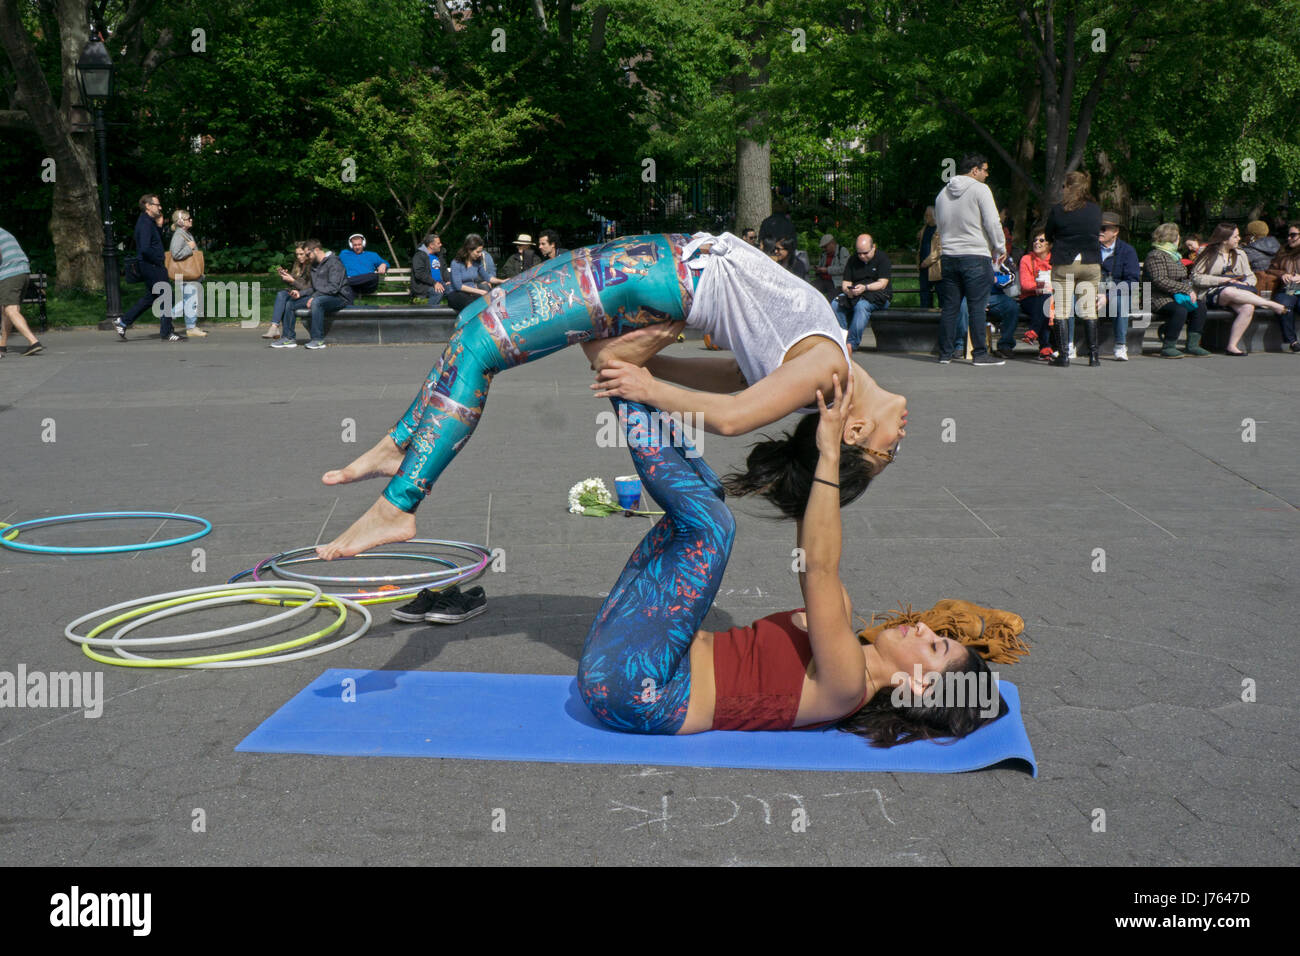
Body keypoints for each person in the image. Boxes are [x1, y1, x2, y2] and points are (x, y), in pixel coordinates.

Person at [313, 232, 908, 559]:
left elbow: (730, 418)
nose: (900, 438)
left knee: (479, 348)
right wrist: (649, 360)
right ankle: (401, 445)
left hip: (655, 274)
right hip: (658, 267)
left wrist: (648, 383)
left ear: (854, 433)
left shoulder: (829, 369)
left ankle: (399, 505)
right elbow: (735, 379)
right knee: (485, 316)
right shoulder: (827, 374)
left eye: (888, 453)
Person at [577, 374, 1004, 742]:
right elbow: (810, 553)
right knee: (708, 497)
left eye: (935, 645)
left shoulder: (848, 685)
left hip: (636, 688)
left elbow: (820, 568)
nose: (925, 627)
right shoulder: (843, 632)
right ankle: (635, 382)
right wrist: (830, 450)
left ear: (918, 686)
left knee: (712, 527)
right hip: (636, 657)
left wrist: (832, 456)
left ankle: (623, 385)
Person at [934, 153, 1006, 365]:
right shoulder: (980, 189)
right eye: (984, 169)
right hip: (975, 254)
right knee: (977, 306)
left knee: (950, 307)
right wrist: (1000, 246)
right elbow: (993, 222)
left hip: (949, 256)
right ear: (974, 170)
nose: (987, 173)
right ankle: (980, 354)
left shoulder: (942, 193)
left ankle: (945, 353)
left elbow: (939, 225)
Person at [1192, 222, 1289, 355]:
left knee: (1248, 307)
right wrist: (1222, 280)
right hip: (1211, 292)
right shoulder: (1207, 252)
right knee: (1228, 291)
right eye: (1236, 236)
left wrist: (1247, 284)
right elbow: (1196, 277)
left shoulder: (1240, 254)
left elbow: (1251, 276)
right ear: (1225, 239)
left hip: (1238, 291)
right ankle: (1269, 304)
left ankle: (1232, 346)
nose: (1239, 239)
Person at [1044, 170, 1103, 366]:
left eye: (1064, 186)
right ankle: (1094, 356)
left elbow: (1049, 233)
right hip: (1090, 261)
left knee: (1062, 310)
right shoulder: (1095, 209)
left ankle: (1064, 356)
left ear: (1069, 187)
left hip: (1065, 262)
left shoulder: (1058, 210)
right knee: (1088, 310)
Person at [116, 194, 179, 341]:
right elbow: (144, 248)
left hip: (152, 265)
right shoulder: (144, 223)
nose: (160, 207)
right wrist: (158, 259)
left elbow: (154, 242)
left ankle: (123, 321)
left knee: (151, 297)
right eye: (157, 205)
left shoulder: (149, 222)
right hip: (152, 266)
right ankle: (167, 332)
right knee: (167, 297)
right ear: (148, 206)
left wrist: (159, 226)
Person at [272, 238, 353, 350]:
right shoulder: (314, 265)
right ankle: (288, 338)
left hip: (340, 297)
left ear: (316, 250)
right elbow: (314, 288)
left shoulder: (334, 262)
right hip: (322, 295)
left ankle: (318, 340)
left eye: (307, 254)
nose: (306, 257)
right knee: (291, 303)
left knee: (317, 302)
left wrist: (314, 296)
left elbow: (334, 288)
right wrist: (300, 294)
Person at [1145, 222, 1209, 358]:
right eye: (1178, 236)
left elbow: (1182, 277)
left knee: (1200, 307)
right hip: (1156, 296)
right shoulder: (1156, 255)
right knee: (1180, 310)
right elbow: (1159, 280)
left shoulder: (1175, 256)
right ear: (1173, 238)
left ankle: (1192, 345)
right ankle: (1168, 346)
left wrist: (1189, 289)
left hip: (1176, 296)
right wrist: (1185, 289)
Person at [832, 234, 892, 351]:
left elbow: (882, 283)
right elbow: (846, 282)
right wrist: (848, 291)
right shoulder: (853, 259)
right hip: (856, 294)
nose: (862, 256)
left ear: (873, 247)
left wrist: (865, 287)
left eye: (865, 253)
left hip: (879, 295)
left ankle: (851, 344)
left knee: (862, 306)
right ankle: (842, 338)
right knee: (836, 303)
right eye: (859, 253)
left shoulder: (882, 259)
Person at [1097, 210, 1140, 361]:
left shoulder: (1127, 251)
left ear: (1115, 231)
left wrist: (1108, 296)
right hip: (1091, 293)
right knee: (1067, 299)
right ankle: (1066, 345)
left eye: (1103, 228)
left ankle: (1120, 345)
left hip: (1116, 295)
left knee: (1119, 303)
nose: (1099, 231)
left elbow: (1132, 282)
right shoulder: (1090, 249)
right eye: (1097, 227)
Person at [0, 226, 43, 356]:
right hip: (22, 272)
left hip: (10, 273)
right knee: (7, 311)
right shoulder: (3, 232)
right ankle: (2, 345)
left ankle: (33, 342)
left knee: (10, 310)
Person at [167, 209, 205, 337]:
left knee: (189, 301)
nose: (191, 220)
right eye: (188, 219)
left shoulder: (185, 233)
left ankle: (187, 325)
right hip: (185, 275)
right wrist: (190, 247)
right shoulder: (179, 235)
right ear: (180, 221)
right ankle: (187, 326)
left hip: (188, 275)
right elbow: (176, 254)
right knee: (189, 301)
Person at [1265, 223, 1300, 352]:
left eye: (1293, 235)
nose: (1289, 238)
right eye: (1288, 235)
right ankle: (1292, 341)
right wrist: (1282, 274)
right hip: (1289, 288)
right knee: (1285, 306)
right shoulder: (1283, 251)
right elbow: (1270, 269)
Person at [1019, 230, 1054, 359]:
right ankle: (1044, 346)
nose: (1037, 243)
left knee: (1046, 301)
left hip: (1051, 298)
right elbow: (1025, 285)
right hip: (1029, 298)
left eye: (1041, 240)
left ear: (1049, 245)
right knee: (1045, 300)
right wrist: (1042, 287)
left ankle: (1035, 334)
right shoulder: (1026, 259)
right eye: (1035, 240)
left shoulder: (1055, 261)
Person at [266, 242, 312, 339]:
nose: (298, 257)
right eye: (297, 254)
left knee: (288, 303)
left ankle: (286, 335)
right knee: (281, 295)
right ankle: (275, 327)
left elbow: (309, 288)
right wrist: (285, 277)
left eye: (301, 254)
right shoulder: (297, 265)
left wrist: (292, 281)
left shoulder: (312, 266)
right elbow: (294, 284)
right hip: (296, 292)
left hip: (307, 295)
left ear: (307, 253)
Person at [446, 233, 502, 311]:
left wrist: (502, 281)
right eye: (477, 252)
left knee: (487, 302)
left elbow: (488, 277)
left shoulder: (477, 263)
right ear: (469, 250)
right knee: (471, 303)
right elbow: (459, 286)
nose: (480, 255)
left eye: (481, 252)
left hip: (471, 293)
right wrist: (480, 291)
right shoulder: (456, 263)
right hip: (455, 294)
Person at [410, 233, 449, 303]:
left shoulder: (439, 255)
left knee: (453, 290)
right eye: (438, 243)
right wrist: (434, 283)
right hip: (424, 285)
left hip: (440, 283)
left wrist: (448, 280)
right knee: (437, 292)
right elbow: (419, 273)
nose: (441, 244)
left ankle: (453, 313)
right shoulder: (419, 255)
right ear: (431, 245)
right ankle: (429, 313)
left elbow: (444, 270)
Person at [812, 233, 850, 301]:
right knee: (810, 289)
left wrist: (827, 270)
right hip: (823, 280)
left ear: (832, 243)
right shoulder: (824, 254)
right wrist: (818, 269)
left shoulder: (842, 251)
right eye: (823, 247)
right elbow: (821, 266)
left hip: (836, 283)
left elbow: (844, 268)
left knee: (829, 298)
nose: (824, 249)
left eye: (825, 247)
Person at [917, 207, 938, 308]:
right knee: (924, 296)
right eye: (925, 215)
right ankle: (924, 320)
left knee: (941, 295)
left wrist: (928, 261)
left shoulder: (940, 229)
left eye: (928, 215)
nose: (925, 217)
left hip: (936, 268)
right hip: (923, 268)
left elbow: (940, 249)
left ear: (934, 216)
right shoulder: (925, 227)